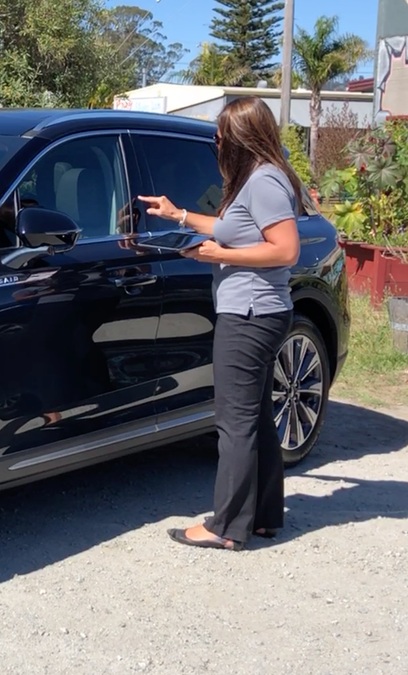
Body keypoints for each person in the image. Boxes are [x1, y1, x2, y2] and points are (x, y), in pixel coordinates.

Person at [138, 96, 302, 551]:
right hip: (257, 311)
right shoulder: (257, 179)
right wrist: (180, 216)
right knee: (255, 417)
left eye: (222, 135)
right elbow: (235, 229)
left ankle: (226, 526)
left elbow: (286, 249)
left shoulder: (265, 181)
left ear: (243, 138)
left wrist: (219, 255)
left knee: (235, 421)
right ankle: (264, 516)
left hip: (250, 315)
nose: (216, 141)